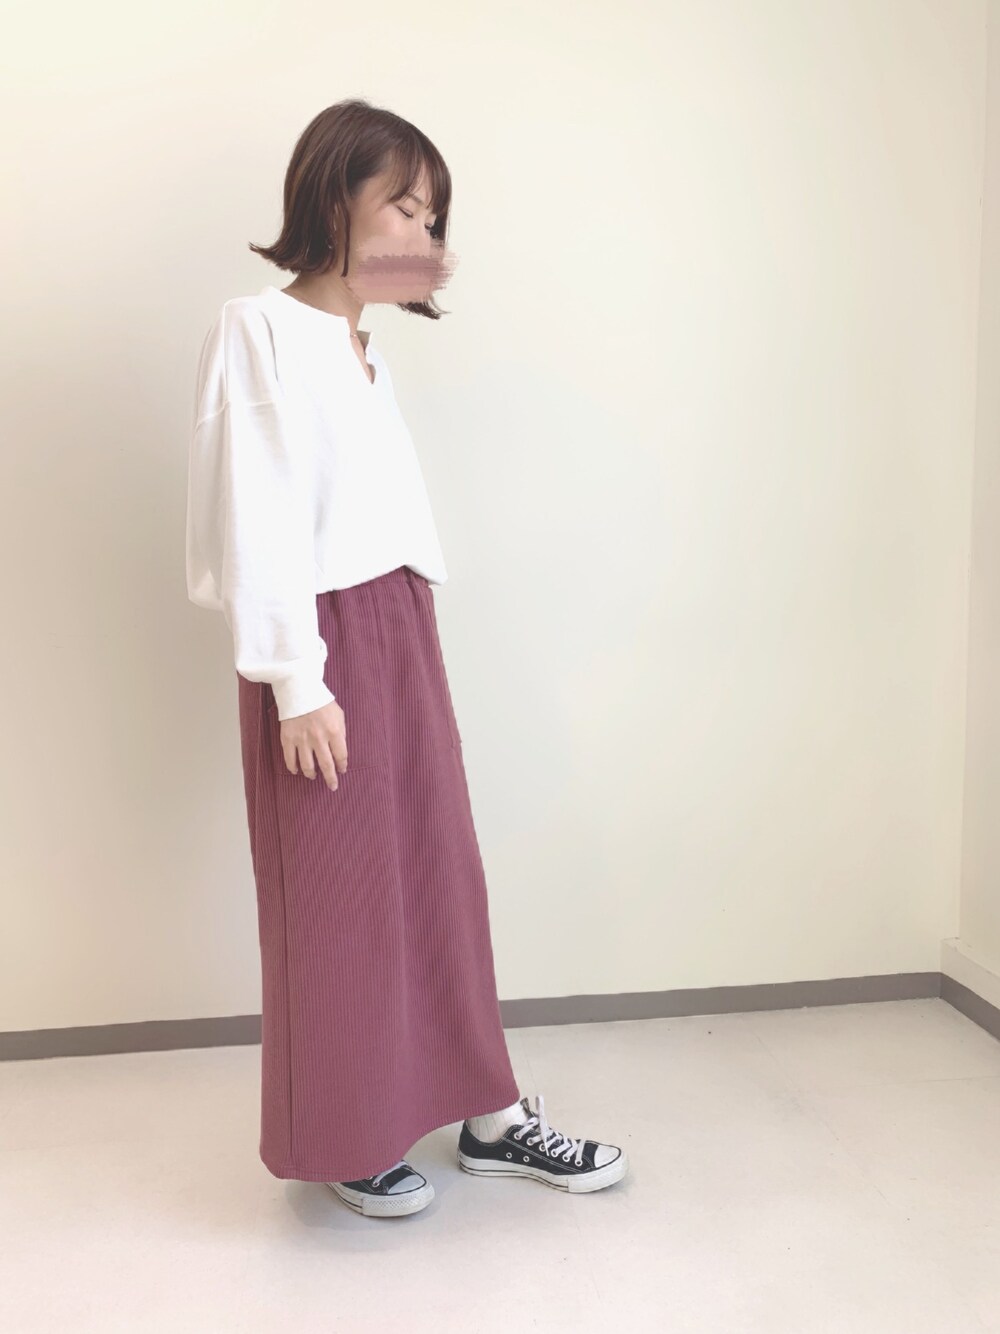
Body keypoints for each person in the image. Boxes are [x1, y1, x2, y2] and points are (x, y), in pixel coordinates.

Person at [186, 97, 628, 1219]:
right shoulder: (259, 327)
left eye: (434, 217)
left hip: (398, 622)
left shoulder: (363, 348)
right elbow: (258, 516)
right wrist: (295, 679)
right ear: (334, 197)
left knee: (438, 871)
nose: (424, 233)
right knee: (334, 893)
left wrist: (393, 637)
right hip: (319, 639)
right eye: (405, 205)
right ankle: (349, 1134)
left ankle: (489, 1113)